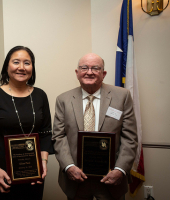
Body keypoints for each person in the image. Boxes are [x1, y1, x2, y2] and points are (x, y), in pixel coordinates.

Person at [52, 53, 138, 200]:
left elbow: (130, 137)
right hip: (76, 179)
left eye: (95, 68)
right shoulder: (63, 100)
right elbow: (59, 137)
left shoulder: (122, 96)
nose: (89, 72)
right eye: (84, 68)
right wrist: (69, 167)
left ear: (103, 73)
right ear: (77, 73)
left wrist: (120, 169)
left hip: (111, 179)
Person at [0, 46, 54, 200]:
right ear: (7, 66)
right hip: (2, 173)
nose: (21, 67)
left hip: (33, 173)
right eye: (16, 62)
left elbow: (46, 133)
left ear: (32, 68)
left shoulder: (40, 95)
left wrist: (44, 162)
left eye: (27, 63)